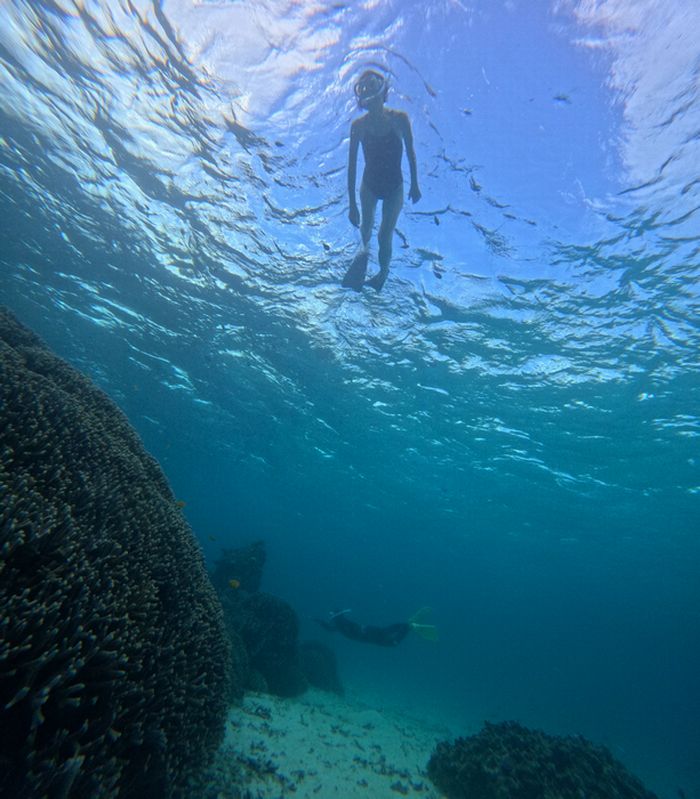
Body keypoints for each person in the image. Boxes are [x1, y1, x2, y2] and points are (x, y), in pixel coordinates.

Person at [342, 69, 421, 291]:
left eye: (372, 84)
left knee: (384, 234)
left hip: (395, 186)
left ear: (383, 91)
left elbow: (410, 152)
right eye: (363, 87)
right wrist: (352, 204)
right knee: (366, 228)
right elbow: (352, 165)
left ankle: (382, 275)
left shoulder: (400, 119)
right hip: (369, 186)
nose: (367, 90)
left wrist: (415, 183)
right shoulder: (358, 126)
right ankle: (363, 253)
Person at [315, 608, 437, 647]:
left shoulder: (341, 623)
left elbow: (353, 628)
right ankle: (406, 625)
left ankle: (409, 626)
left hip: (368, 635)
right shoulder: (340, 624)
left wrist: (362, 633)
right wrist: (319, 622)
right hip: (369, 632)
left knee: (393, 643)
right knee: (386, 630)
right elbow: (330, 629)